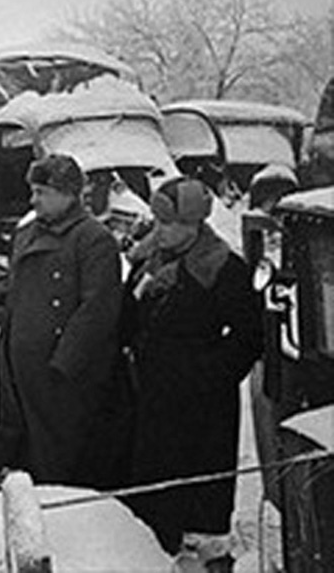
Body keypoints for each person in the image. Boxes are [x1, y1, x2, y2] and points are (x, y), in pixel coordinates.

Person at [121, 177, 263, 566]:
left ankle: (208, 561)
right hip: (150, 398)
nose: (160, 230)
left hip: (201, 410)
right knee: (153, 498)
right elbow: (129, 319)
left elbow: (250, 337)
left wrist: (205, 375)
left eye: (169, 223)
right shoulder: (150, 259)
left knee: (199, 503)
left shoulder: (222, 267)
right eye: (157, 221)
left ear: (194, 223)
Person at [0, 154, 129, 489]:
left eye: (42, 192)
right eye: (33, 191)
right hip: (19, 362)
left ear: (69, 194)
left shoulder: (93, 239)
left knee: (60, 450)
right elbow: (18, 283)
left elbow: (97, 309)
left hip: (61, 371)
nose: (33, 199)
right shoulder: (27, 233)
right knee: (25, 446)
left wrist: (65, 363)